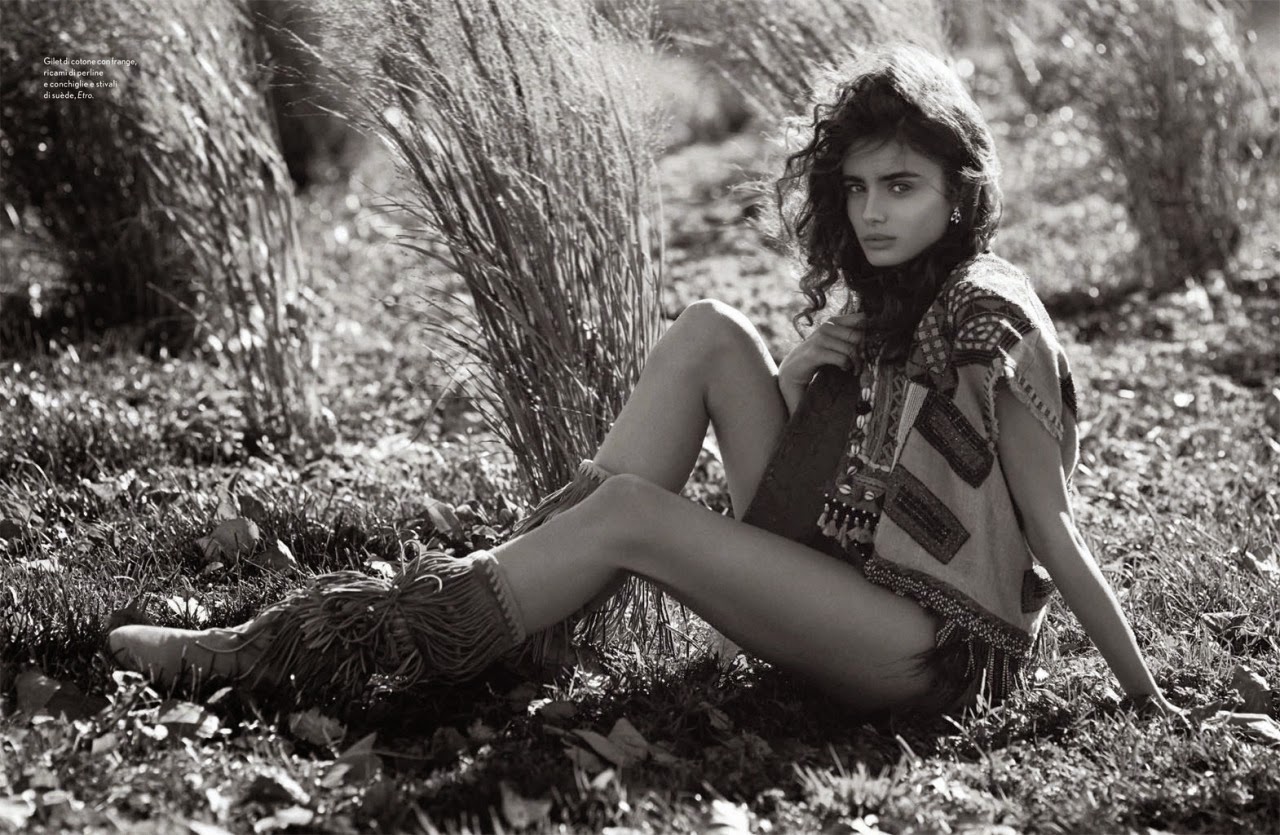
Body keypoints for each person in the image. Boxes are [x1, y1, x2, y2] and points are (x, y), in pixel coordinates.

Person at [108, 43, 1182, 719]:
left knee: (630, 513)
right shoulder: (895, 301)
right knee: (711, 331)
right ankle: (514, 606)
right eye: (855, 187)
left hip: (930, 649)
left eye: (900, 186)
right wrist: (805, 377)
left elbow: (1051, 533)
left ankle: (285, 655)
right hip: (851, 579)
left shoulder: (989, 319)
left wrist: (1147, 699)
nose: (870, 212)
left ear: (961, 191)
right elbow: (839, 481)